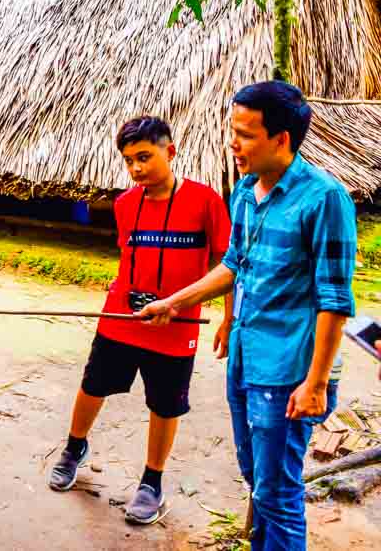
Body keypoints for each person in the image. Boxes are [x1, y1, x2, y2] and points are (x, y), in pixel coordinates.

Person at [140, 81, 356, 550]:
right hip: (245, 358)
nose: (232, 143)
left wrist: (316, 383)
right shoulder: (243, 192)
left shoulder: (324, 199)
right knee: (256, 479)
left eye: (245, 134)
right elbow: (235, 263)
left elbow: (334, 300)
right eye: (231, 131)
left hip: (289, 372)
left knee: (278, 493)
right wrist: (175, 302)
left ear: (281, 139)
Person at [47, 116, 232, 525]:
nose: (135, 169)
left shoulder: (206, 201)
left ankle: (152, 482)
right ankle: (74, 447)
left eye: (144, 157)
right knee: (92, 385)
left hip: (177, 325)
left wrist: (228, 319)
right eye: (129, 160)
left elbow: (226, 262)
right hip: (122, 317)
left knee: (166, 404)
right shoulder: (125, 205)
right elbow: (129, 257)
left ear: (171, 150)